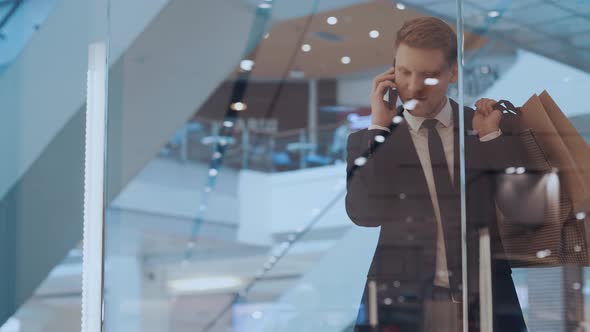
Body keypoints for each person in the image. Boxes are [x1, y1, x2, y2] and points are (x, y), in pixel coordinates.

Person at [346, 17, 530, 331]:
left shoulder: (486, 125)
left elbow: (523, 211)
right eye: (404, 72)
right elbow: (365, 213)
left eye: (429, 76)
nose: (414, 86)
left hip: (486, 301)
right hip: (401, 305)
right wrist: (378, 130)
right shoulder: (370, 139)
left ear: (453, 73)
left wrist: (490, 140)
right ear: (392, 71)